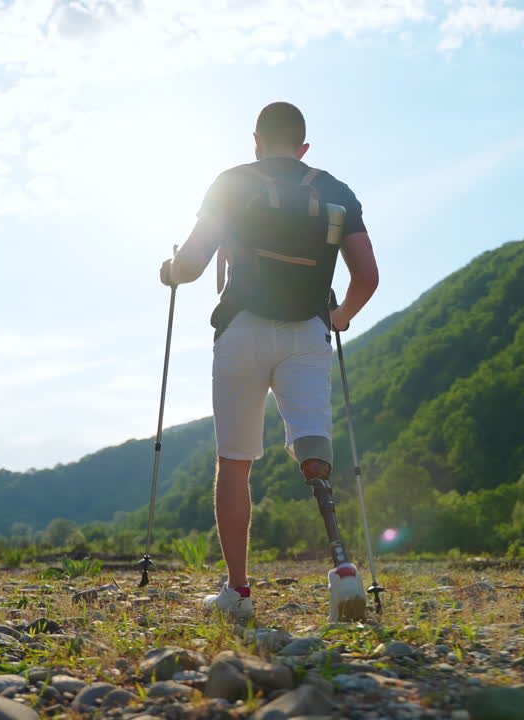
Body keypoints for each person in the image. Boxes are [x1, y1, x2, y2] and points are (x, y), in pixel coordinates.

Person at [159, 101, 379, 622]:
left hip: (242, 330)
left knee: (235, 461)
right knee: (314, 449)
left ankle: (238, 593)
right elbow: (367, 275)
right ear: (304, 148)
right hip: (307, 332)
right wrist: (341, 316)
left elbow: (190, 266)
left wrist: (167, 271)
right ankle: (345, 570)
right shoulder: (335, 191)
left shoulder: (232, 182)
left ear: (255, 140)